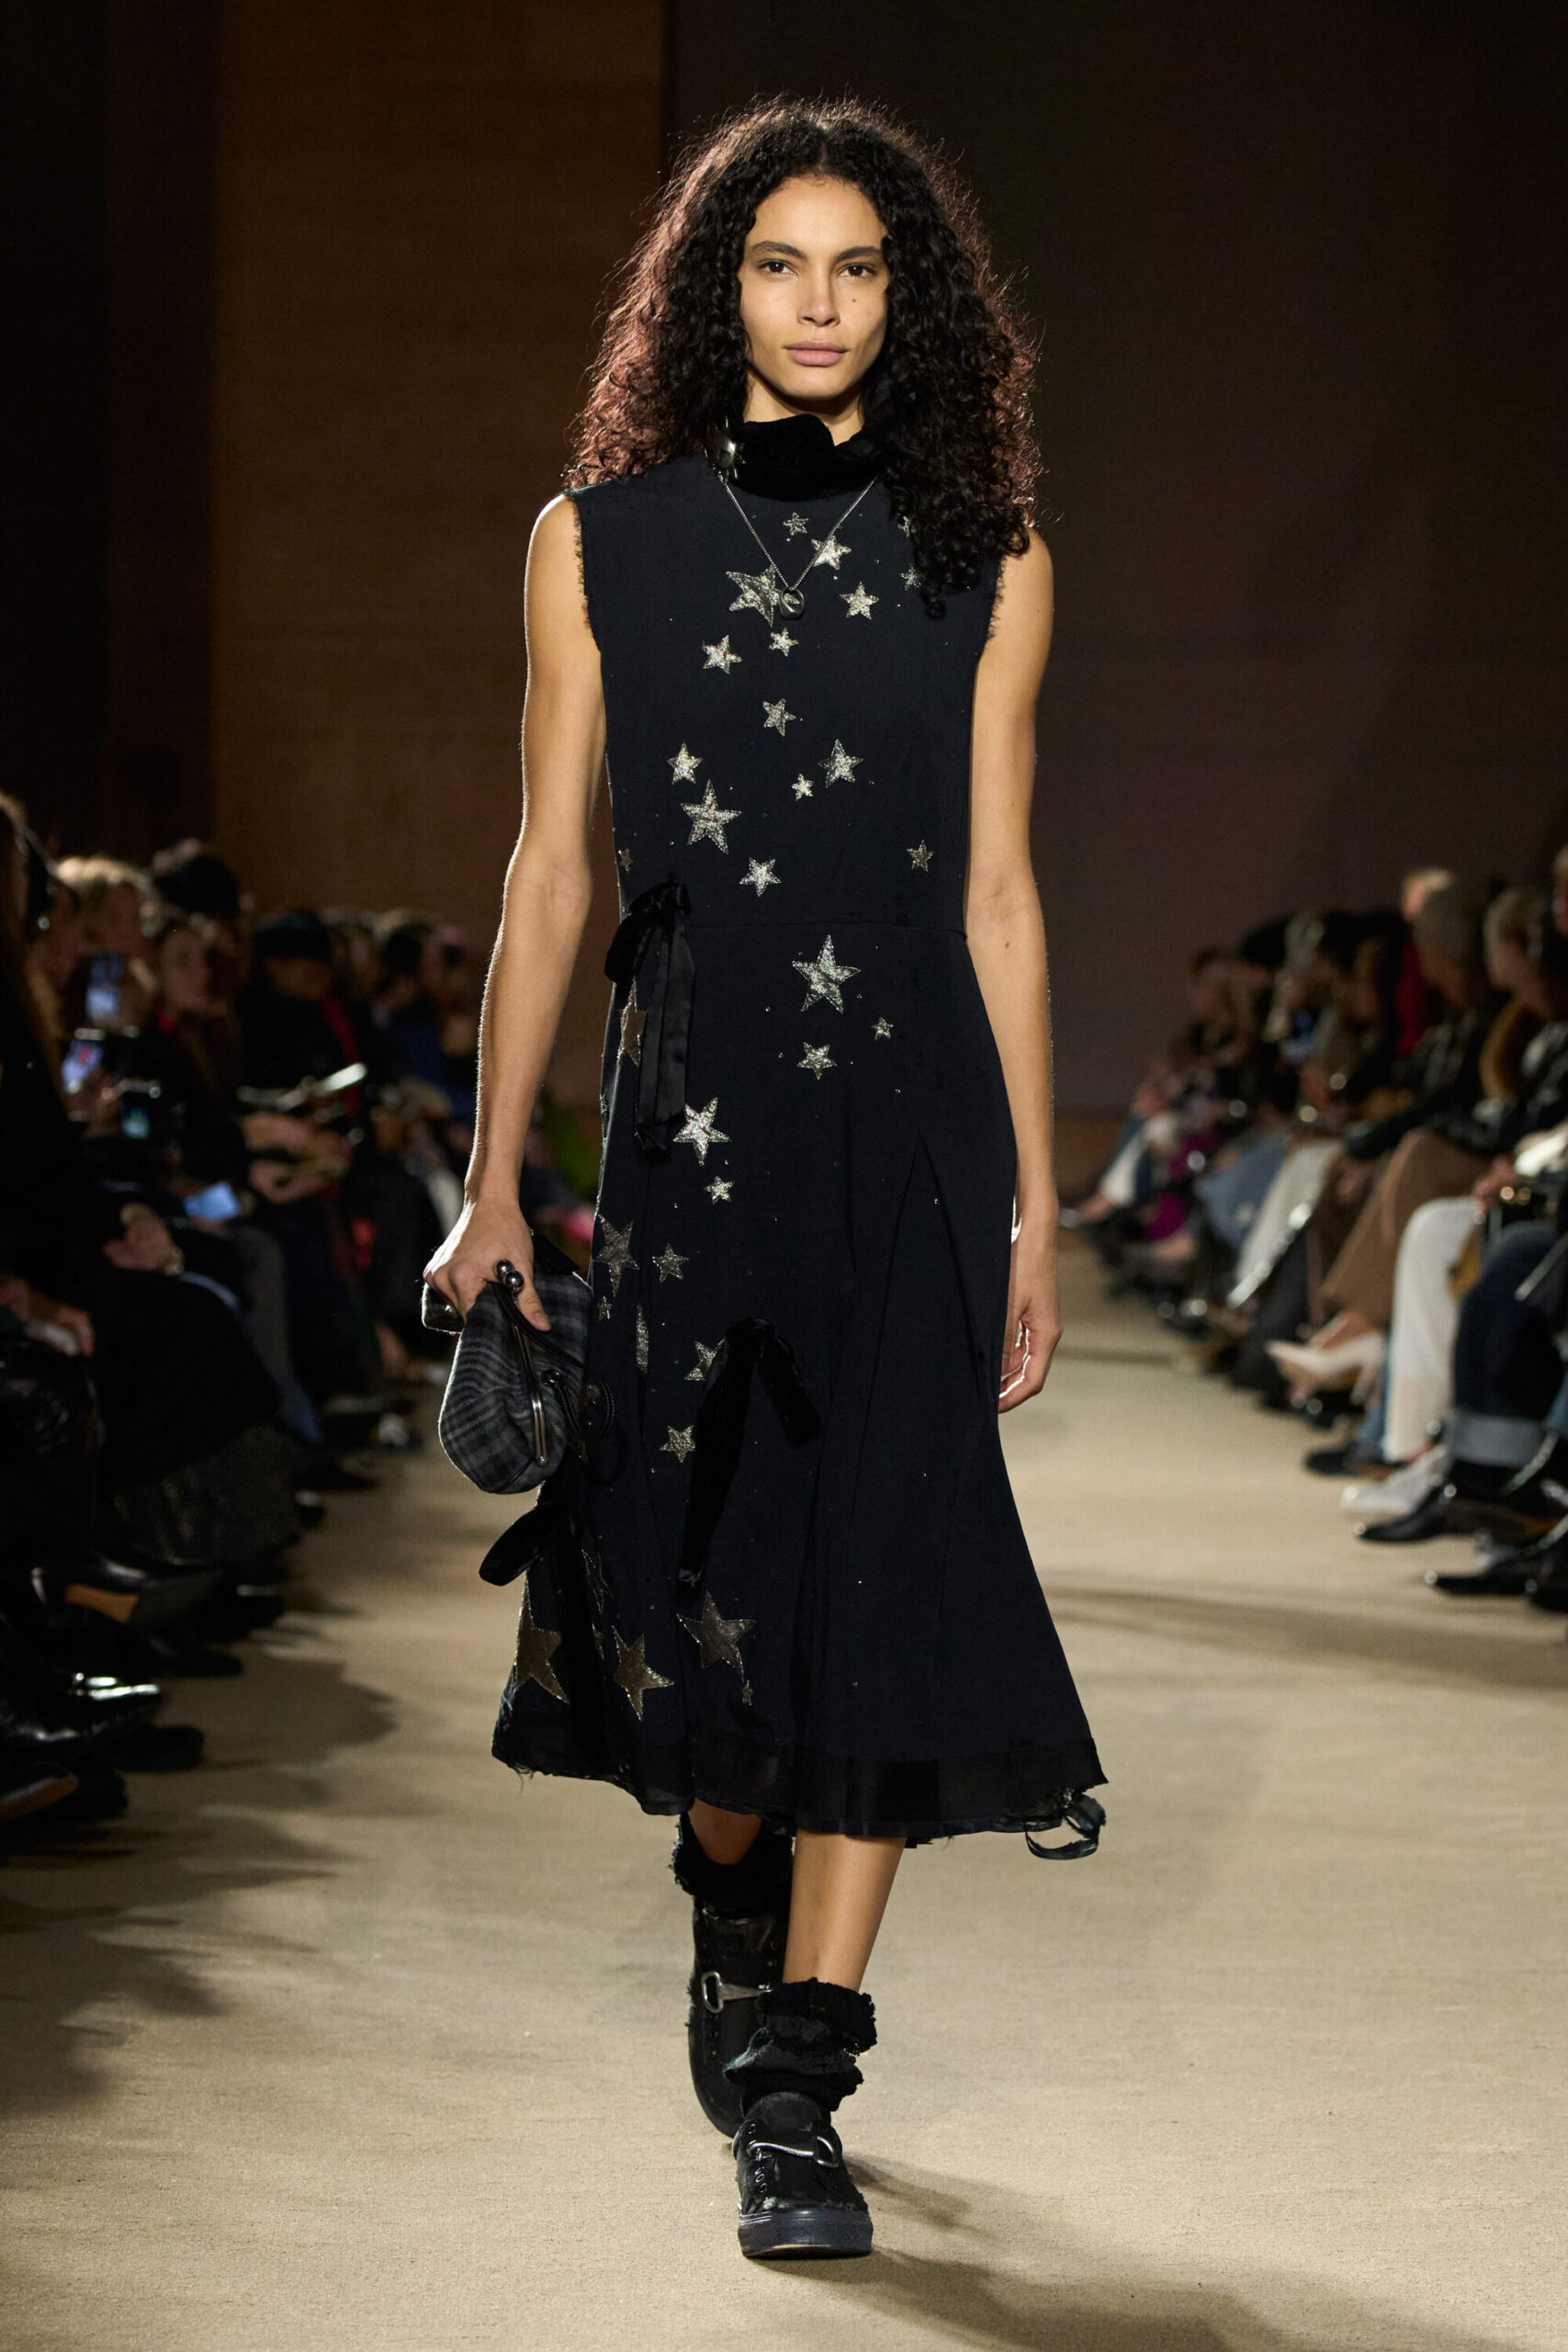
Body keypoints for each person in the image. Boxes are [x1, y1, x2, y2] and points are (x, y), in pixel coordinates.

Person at [423, 97, 1104, 2260]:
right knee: (711, 1603)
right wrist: (491, 1180)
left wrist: (1035, 1204)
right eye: (778, 264)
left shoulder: (986, 547)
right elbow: (549, 873)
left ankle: (798, 2071)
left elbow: (998, 889)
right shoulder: (595, 540)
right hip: (690, 1130)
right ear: (714, 286)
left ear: (909, 300)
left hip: (909, 1137)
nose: (819, 305)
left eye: (858, 268)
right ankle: (729, 1899)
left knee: (883, 1570)